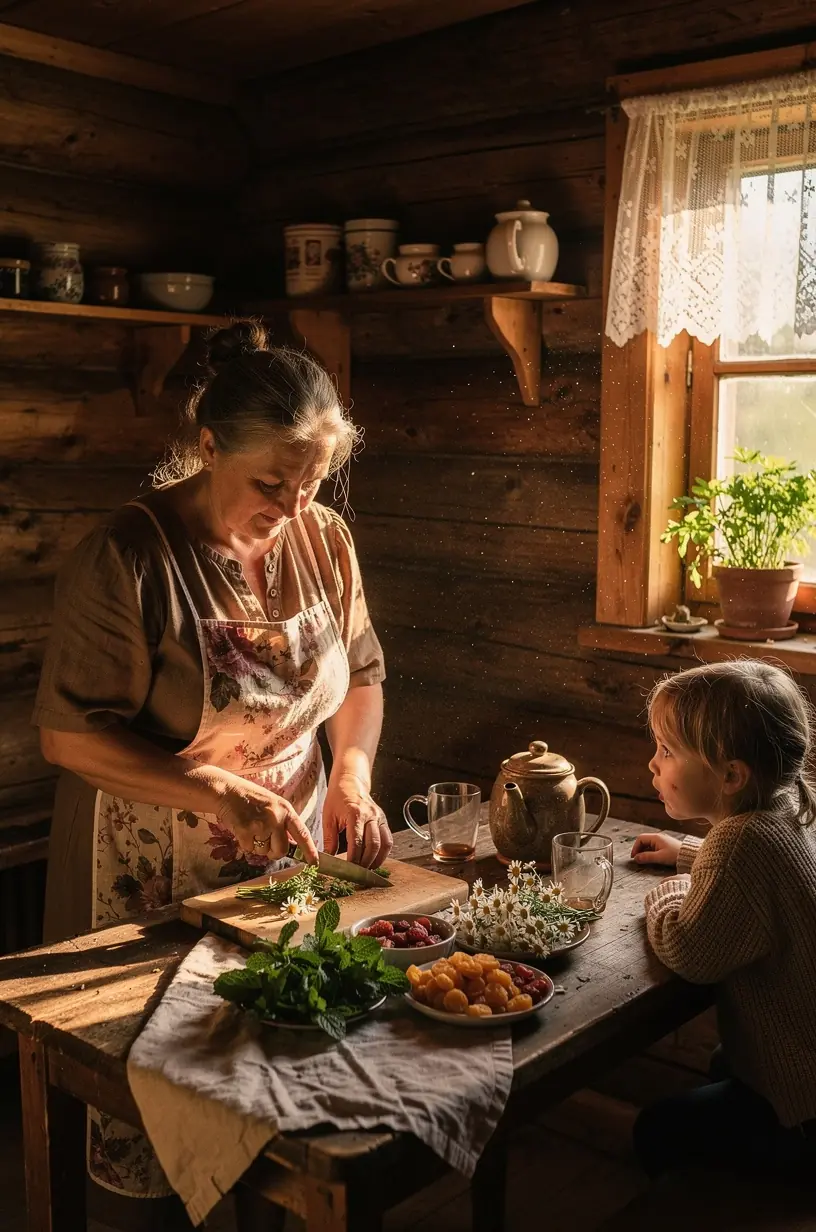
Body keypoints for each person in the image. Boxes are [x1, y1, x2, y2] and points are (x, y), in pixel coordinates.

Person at [32, 319, 391, 1220]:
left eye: (310, 484)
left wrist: (349, 773)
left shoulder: (324, 539)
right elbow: (69, 737)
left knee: (273, 1088)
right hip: (148, 861)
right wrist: (219, 788)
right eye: (271, 483)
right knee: (162, 1102)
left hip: (286, 853)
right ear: (206, 447)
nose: (293, 505)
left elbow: (365, 676)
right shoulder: (130, 556)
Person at [630, 659, 816, 1182]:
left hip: (802, 1113)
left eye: (667, 751)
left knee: (656, 1129)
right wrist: (691, 853)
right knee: (722, 1061)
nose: (653, 764)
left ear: (732, 775)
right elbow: (765, 878)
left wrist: (669, 892)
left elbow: (690, 950)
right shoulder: (793, 809)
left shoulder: (739, 845)